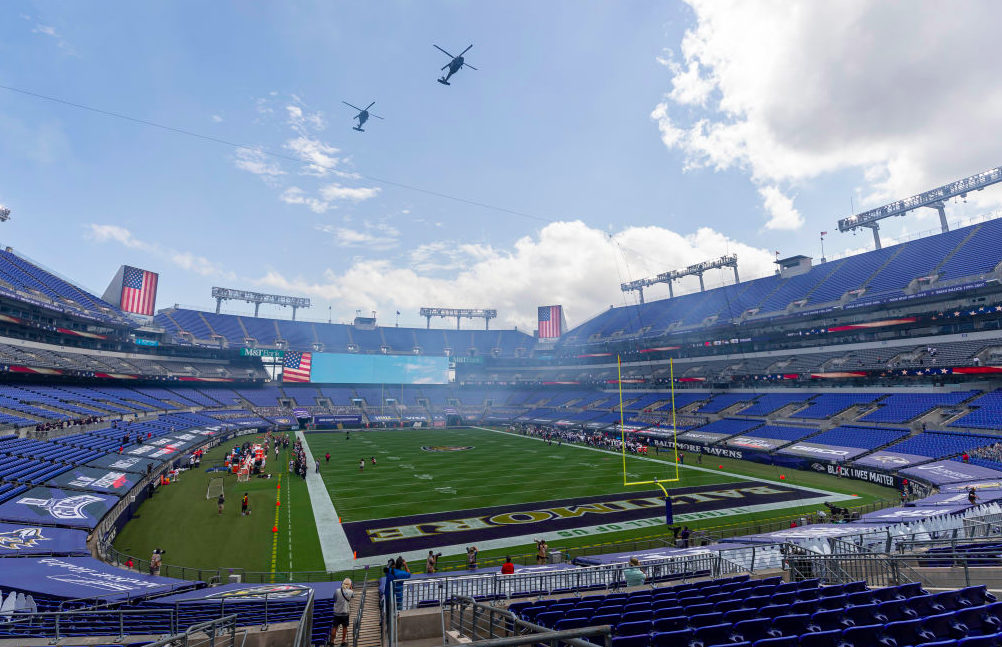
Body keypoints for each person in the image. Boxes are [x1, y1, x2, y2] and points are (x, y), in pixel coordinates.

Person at [331, 578, 354, 647]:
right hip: (345, 613)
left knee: (335, 627)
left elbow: (334, 599)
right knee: (345, 627)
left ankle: (332, 642)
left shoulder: (337, 591)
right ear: (350, 585)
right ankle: (343, 641)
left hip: (337, 612)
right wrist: (351, 588)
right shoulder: (351, 592)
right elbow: (352, 596)